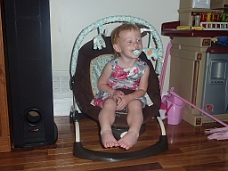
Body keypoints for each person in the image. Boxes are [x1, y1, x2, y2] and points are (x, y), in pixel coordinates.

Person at [91, 23, 151, 150]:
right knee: (109, 104)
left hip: (133, 95)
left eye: (138, 40)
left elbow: (142, 90)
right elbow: (101, 84)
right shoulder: (111, 65)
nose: (136, 44)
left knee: (135, 105)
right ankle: (106, 131)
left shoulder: (144, 68)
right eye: (130, 41)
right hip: (112, 93)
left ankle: (133, 133)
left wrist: (129, 98)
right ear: (118, 47)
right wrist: (113, 92)